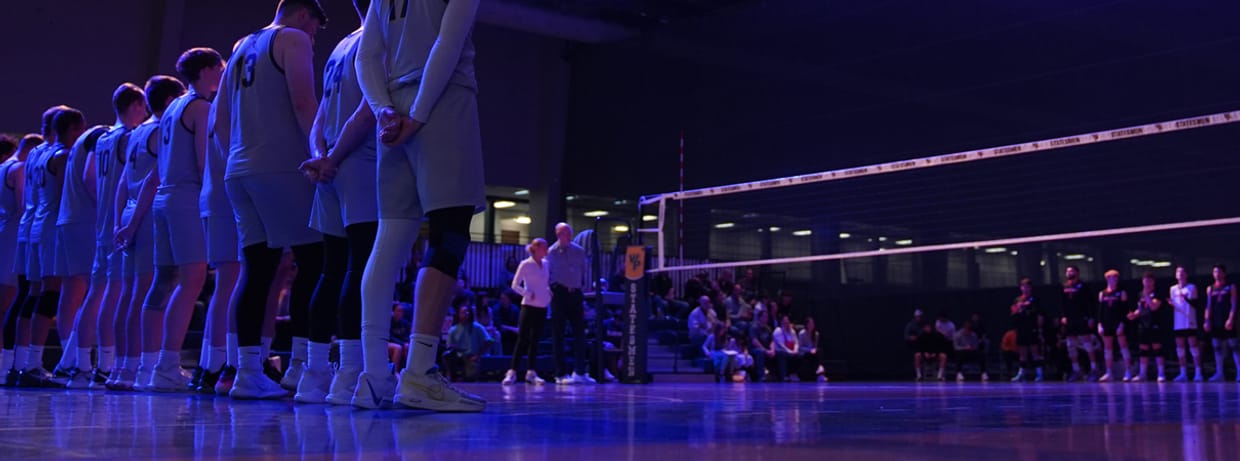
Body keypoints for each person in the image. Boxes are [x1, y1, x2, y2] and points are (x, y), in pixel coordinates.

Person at [353, 0, 488, 412]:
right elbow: (447, 43)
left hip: (393, 107)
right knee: (450, 235)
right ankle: (419, 372)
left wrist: (383, 112)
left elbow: (367, 55)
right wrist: (420, 113)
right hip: (441, 101)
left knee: (389, 239)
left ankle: (373, 374)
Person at [212, 0, 329, 400]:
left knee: (256, 268)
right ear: (302, 15)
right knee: (314, 262)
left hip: (240, 170)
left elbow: (218, 122)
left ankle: (246, 372)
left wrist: (239, 159)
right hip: (281, 166)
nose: (314, 36)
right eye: (316, 27)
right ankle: (301, 368)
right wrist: (321, 151)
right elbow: (302, 101)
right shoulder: (293, 38)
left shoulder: (241, 45)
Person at [296, 0, 379, 405]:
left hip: (329, 170)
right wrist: (336, 158)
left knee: (330, 273)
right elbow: (366, 113)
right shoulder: (379, 39)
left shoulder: (339, 46)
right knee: (359, 271)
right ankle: (349, 373)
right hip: (358, 165)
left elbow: (320, 117)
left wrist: (320, 156)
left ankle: (313, 375)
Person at [143, 48, 225, 393]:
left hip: (165, 199)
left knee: (165, 281)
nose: (223, 74)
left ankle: (149, 364)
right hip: (187, 197)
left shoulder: (173, 106)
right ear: (207, 70)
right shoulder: (200, 106)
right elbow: (205, 161)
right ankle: (166, 364)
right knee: (192, 280)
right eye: (220, 68)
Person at [114, 77, 184, 391]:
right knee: (148, 291)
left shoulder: (137, 132)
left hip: (131, 212)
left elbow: (123, 183)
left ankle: (124, 368)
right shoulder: (158, 130)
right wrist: (132, 222)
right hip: (146, 213)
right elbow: (152, 181)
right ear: (170, 101)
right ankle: (146, 366)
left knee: (130, 294)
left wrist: (121, 221)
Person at [94, 85, 149, 390]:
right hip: (121, 219)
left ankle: (106, 363)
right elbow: (125, 183)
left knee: (102, 295)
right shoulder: (129, 136)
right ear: (137, 104)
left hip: (104, 222)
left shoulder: (102, 138)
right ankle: (110, 365)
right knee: (118, 295)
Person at [53, 123, 111, 387]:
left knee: (75, 293)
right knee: (97, 292)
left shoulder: (83, 139)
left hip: (68, 220)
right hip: (86, 222)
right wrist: (106, 207)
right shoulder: (101, 135)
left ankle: (70, 361)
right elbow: (91, 177)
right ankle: (78, 365)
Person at [36, 107, 89, 385]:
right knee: (70, 293)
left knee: (49, 294)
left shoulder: (39, 152)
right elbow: (67, 192)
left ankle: (64, 358)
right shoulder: (64, 156)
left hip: (40, 224)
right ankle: (72, 359)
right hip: (60, 224)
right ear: (73, 129)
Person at [11, 107, 62, 388]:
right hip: (49, 226)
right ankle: (33, 363)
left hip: (30, 226)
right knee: (48, 294)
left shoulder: (34, 154)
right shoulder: (56, 154)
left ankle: (20, 363)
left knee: (30, 295)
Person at [0, 135, 38, 384]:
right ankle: (8, 363)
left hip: (4, 230)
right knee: (12, 302)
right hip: (15, 235)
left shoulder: (3, 166)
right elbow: (24, 204)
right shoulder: (20, 168)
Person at [545, 223, 594, 385]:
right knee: (558, 334)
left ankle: (580, 371)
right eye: (559, 233)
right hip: (559, 293)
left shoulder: (579, 251)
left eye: (565, 232)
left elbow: (583, 271)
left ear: (571, 234)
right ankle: (560, 374)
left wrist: (581, 288)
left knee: (580, 332)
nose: (563, 236)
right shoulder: (551, 252)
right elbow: (548, 274)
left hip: (575, 293)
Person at [503, 238, 551, 386]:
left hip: (542, 306)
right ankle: (512, 372)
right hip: (528, 305)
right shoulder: (525, 264)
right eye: (543, 247)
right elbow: (514, 284)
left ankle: (531, 372)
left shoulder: (546, 264)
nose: (546, 250)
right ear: (536, 248)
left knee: (535, 340)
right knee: (522, 338)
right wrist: (527, 293)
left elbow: (546, 282)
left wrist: (549, 293)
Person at [1059, 265, 1098, 382]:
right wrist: (1063, 316)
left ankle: (1094, 369)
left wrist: (1091, 318)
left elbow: (1091, 303)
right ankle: (1076, 370)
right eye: (1067, 271)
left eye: (1072, 271)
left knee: (1087, 343)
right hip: (1070, 320)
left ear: (1077, 273)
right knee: (1071, 345)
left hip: (1082, 318)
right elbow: (1062, 303)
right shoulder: (1064, 287)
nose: (1069, 273)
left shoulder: (1084, 287)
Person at [1127, 271, 1168, 382]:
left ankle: (1161, 373)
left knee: (1157, 348)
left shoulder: (1157, 293)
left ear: (1153, 282)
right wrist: (1134, 315)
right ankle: (1142, 373)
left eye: (1149, 281)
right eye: (1145, 281)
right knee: (1143, 349)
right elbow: (1140, 309)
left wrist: (1147, 296)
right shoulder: (1140, 294)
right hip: (1143, 324)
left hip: (1155, 322)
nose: (1147, 283)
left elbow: (1154, 307)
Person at [1204, 264, 1237, 382]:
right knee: (1217, 347)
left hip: (1227, 321)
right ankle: (1219, 373)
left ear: (1223, 273)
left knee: (1234, 346)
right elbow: (1208, 306)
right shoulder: (1210, 288)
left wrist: (1231, 319)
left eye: (1219, 272)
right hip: (1215, 322)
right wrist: (1207, 320)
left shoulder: (1230, 287)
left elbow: (1234, 304)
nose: (1217, 274)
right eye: (1215, 272)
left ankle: (1239, 372)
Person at [1096, 269, 1131, 382]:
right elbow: (1100, 311)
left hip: (1118, 323)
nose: (1114, 280)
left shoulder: (1121, 293)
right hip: (1107, 323)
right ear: (1107, 279)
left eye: (1116, 277)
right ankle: (1109, 372)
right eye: (1112, 277)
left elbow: (1124, 310)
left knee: (1123, 347)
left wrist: (1122, 324)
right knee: (1108, 348)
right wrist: (1100, 324)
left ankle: (1128, 371)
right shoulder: (1102, 293)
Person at [1169, 266, 1202, 381]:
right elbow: (1175, 303)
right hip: (1178, 321)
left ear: (1186, 275)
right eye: (1178, 272)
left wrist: (1185, 297)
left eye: (1183, 272)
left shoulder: (1191, 287)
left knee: (1193, 346)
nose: (1180, 274)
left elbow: (1194, 302)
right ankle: (1183, 373)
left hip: (1189, 320)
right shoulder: (1173, 289)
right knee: (1180, 347)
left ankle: (1198, 372)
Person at [1010, 277, 1044, 382]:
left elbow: (1039, 314)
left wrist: (1039, 328)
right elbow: (1013, 312)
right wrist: (1017, 308)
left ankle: (1039, 373)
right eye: (1023, 287)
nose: (1025, 289)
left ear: (1031, 288)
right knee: (1022, 352)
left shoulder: (1035, 299)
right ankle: (1021, 373)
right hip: (1021, 328)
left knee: (1034, 351)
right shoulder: (1017, 300)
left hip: (1032, 328)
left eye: (1027, 287)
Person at [446, 305, 492, 382]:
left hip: (472, 356)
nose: (466, 314)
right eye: (463, 312)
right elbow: (449, 345)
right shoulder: (453, 329)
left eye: (467, 312)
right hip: (458, 355)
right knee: (446, 355)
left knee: (470, 377)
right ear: (459, 314)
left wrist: (478, 355)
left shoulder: (477, 327)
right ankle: (451, 376)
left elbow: (489, 341)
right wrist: (453, 347)